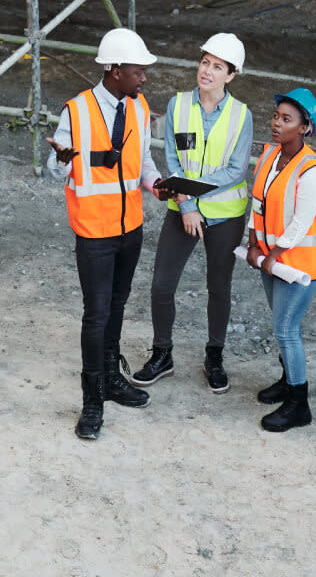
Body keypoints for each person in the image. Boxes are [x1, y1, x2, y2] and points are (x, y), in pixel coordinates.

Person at [51, 28, 165, 441]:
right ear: (114, 70)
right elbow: (55, 166)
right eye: (138, 70)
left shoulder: (138, 107)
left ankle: (114, 380)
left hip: (129, 228)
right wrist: (63, 160)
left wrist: (156, 185)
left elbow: (143, 161)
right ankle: (93, 400)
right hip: (94, 232)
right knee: (96, 314)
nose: (144, 77)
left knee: (117, 307)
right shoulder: (76, 111)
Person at [130, 34, 253, 394]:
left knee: (219, 288)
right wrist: (186, 205)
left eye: (218, 66)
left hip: (226, 216)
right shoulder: (178, 105)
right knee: (162, 285)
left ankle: (214, 357)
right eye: (204, 62)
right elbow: (171, 157)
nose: (207, 71)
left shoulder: (241, 115)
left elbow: (235, 170)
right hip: (182, 211)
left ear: (231, 75)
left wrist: (193, 195)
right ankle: (162, 354)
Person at [243, 88, 316, 432]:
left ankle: (299, 404)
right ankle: (287, 380)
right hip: (270, 259)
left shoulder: (312, 171)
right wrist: (253, 243)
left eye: (286, 119)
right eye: (276, 116)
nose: (276, 124)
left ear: (305, 128)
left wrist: (273, 255)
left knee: (285, 329)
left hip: (299, 266)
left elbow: (301, 222)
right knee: (282, 327)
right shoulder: (269, 155)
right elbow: (258, 202)